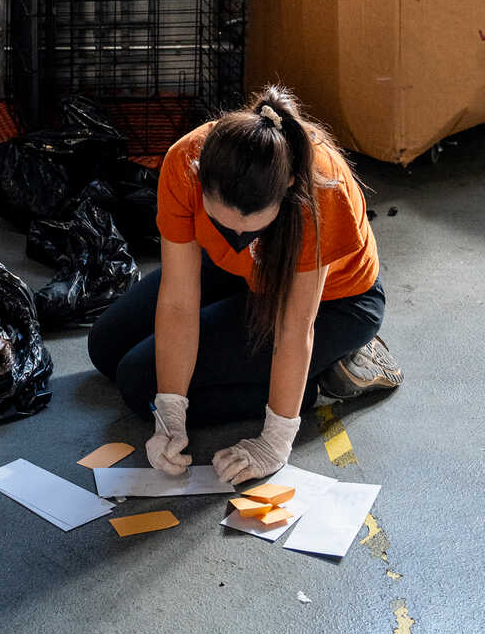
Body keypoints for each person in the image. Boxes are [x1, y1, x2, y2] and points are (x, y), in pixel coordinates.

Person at [88, 86, 401, 483]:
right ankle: (266, 368)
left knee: (138, 381)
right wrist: (170, 410)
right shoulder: (185, 162)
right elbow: (178, 302)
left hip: (335, 303)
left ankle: (316, 379)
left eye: (251, 228)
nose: (236, 234)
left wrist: (276, 439)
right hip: (239, 273)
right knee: (106, 346)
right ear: (202, 179)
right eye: (222, 224)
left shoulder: (321, 191)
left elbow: (293, 328)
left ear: (287, 187)